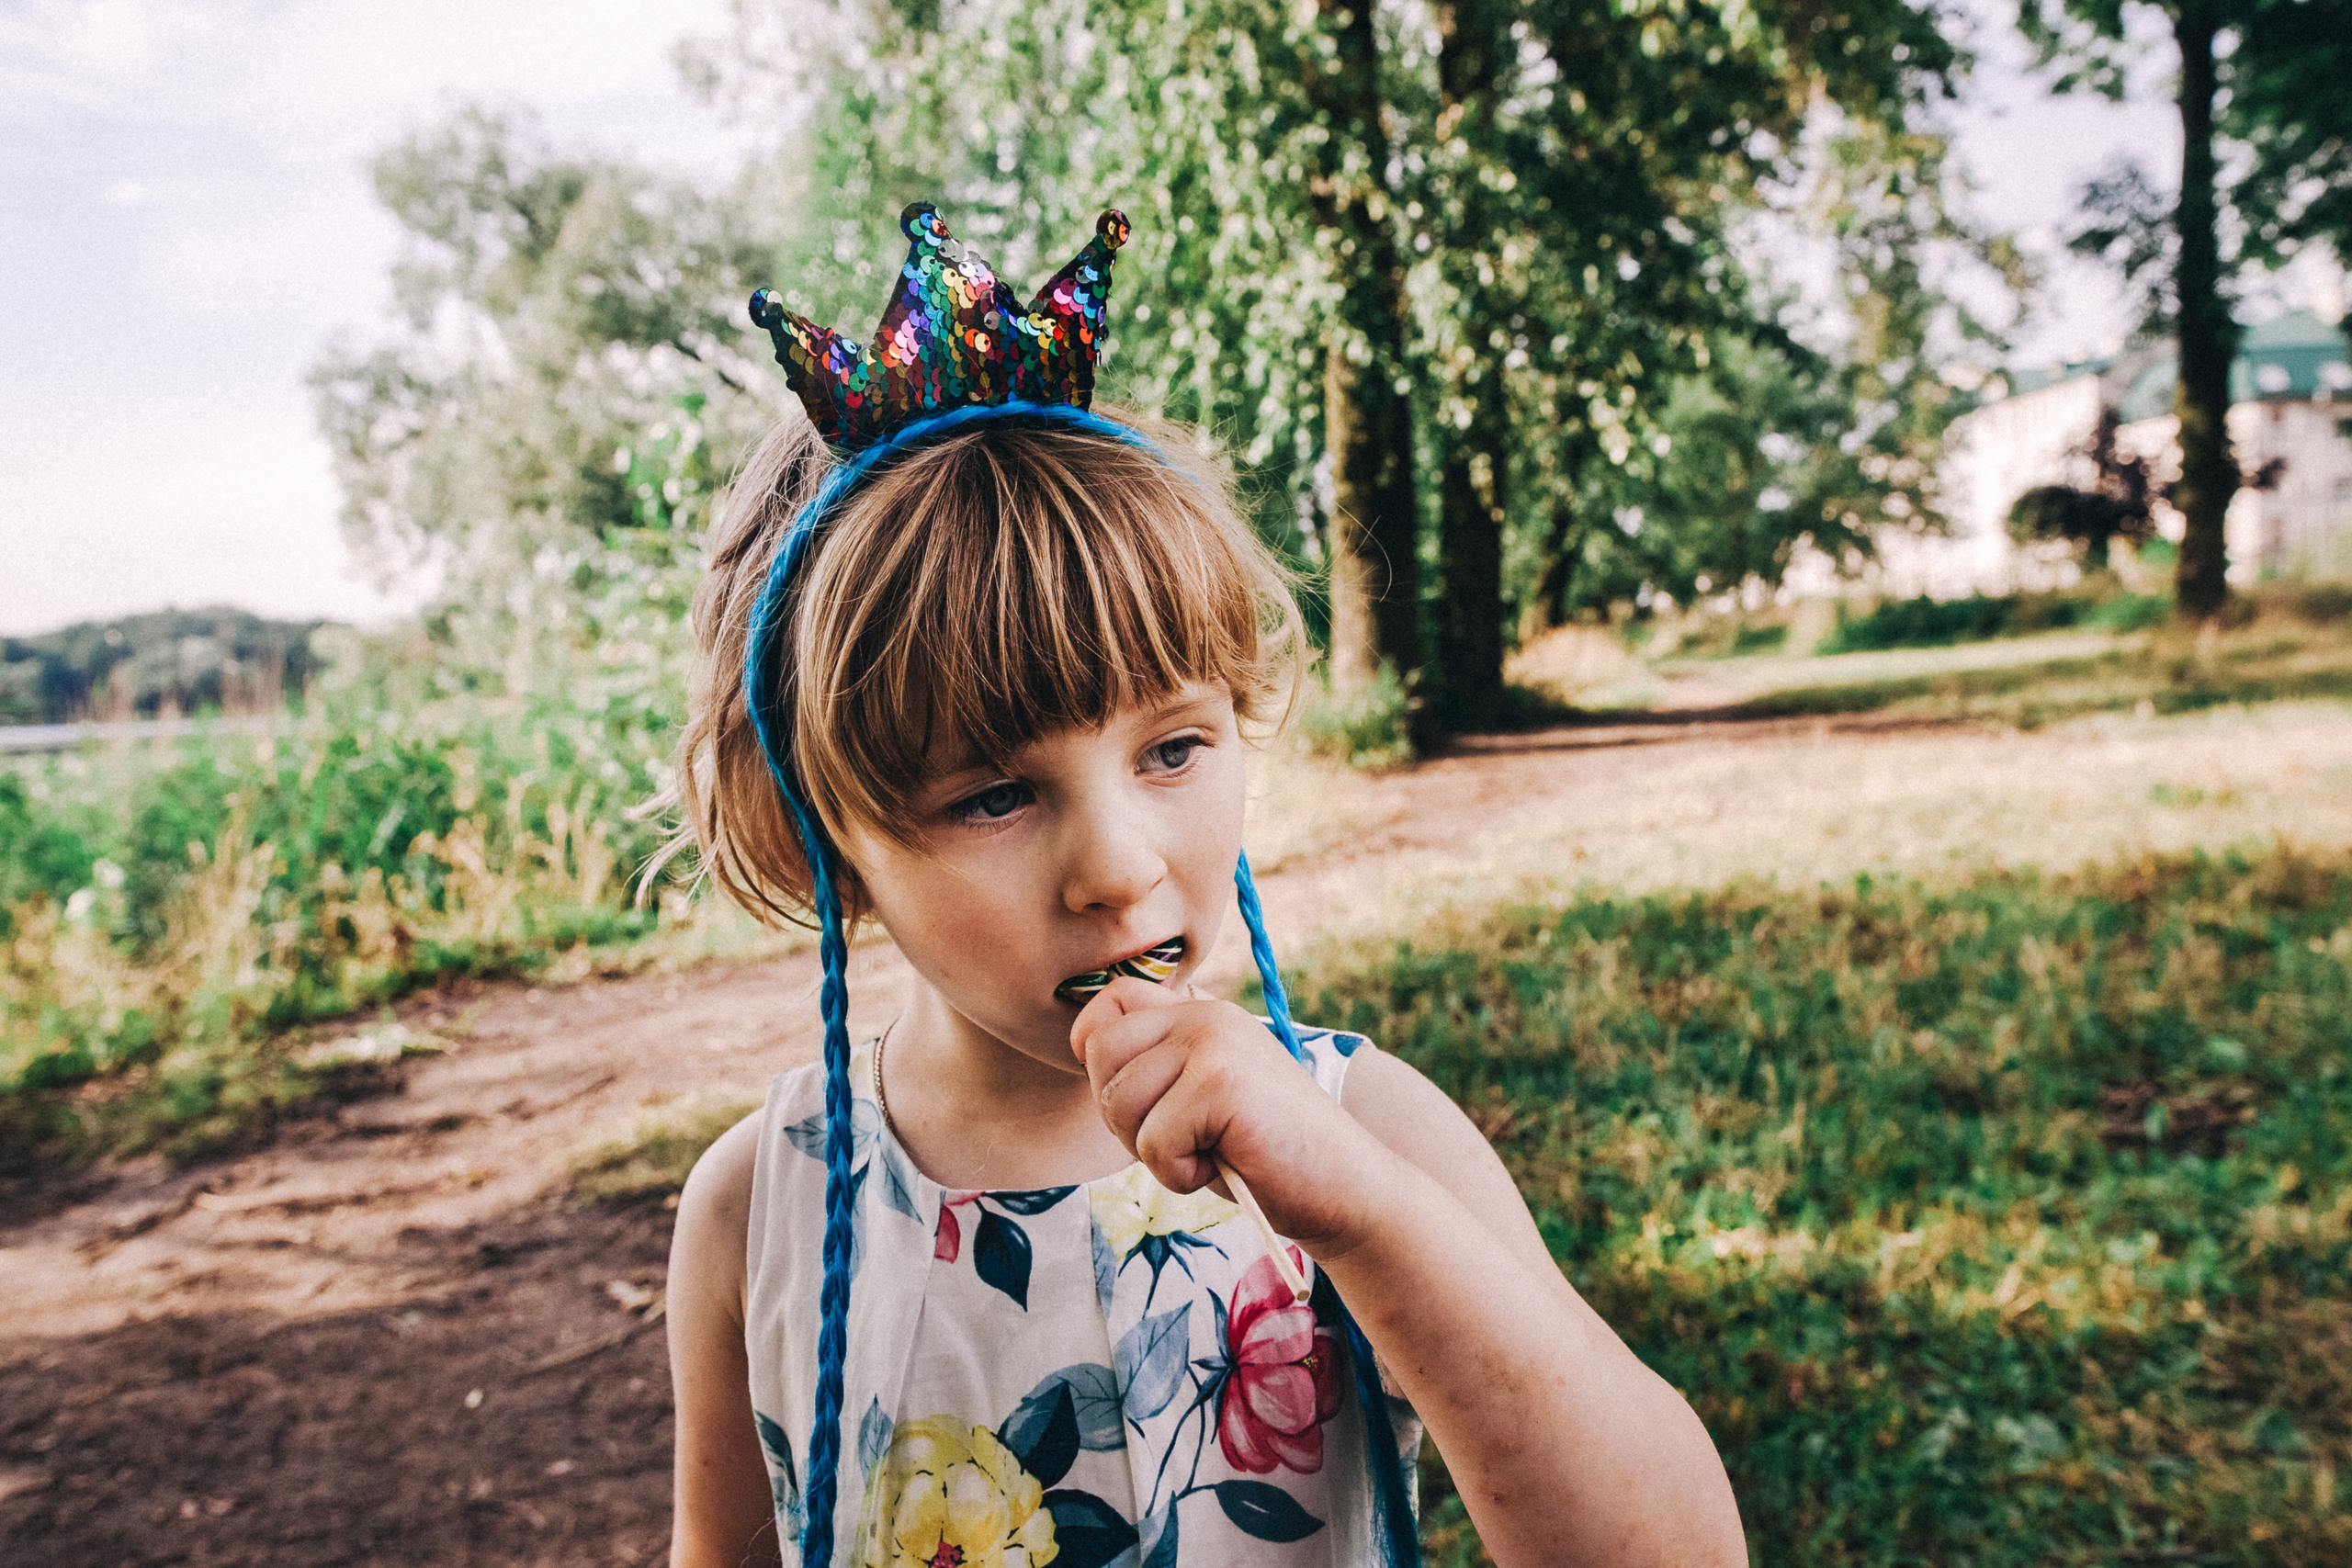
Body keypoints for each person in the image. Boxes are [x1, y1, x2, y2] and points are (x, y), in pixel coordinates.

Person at [659, 201, 1744, 1568]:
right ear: (822, 832)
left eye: (1173, 748)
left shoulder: (1366, 1133)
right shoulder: (765, 1206)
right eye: (994, 795)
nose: (1120, 868)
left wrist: (1369, 1221)